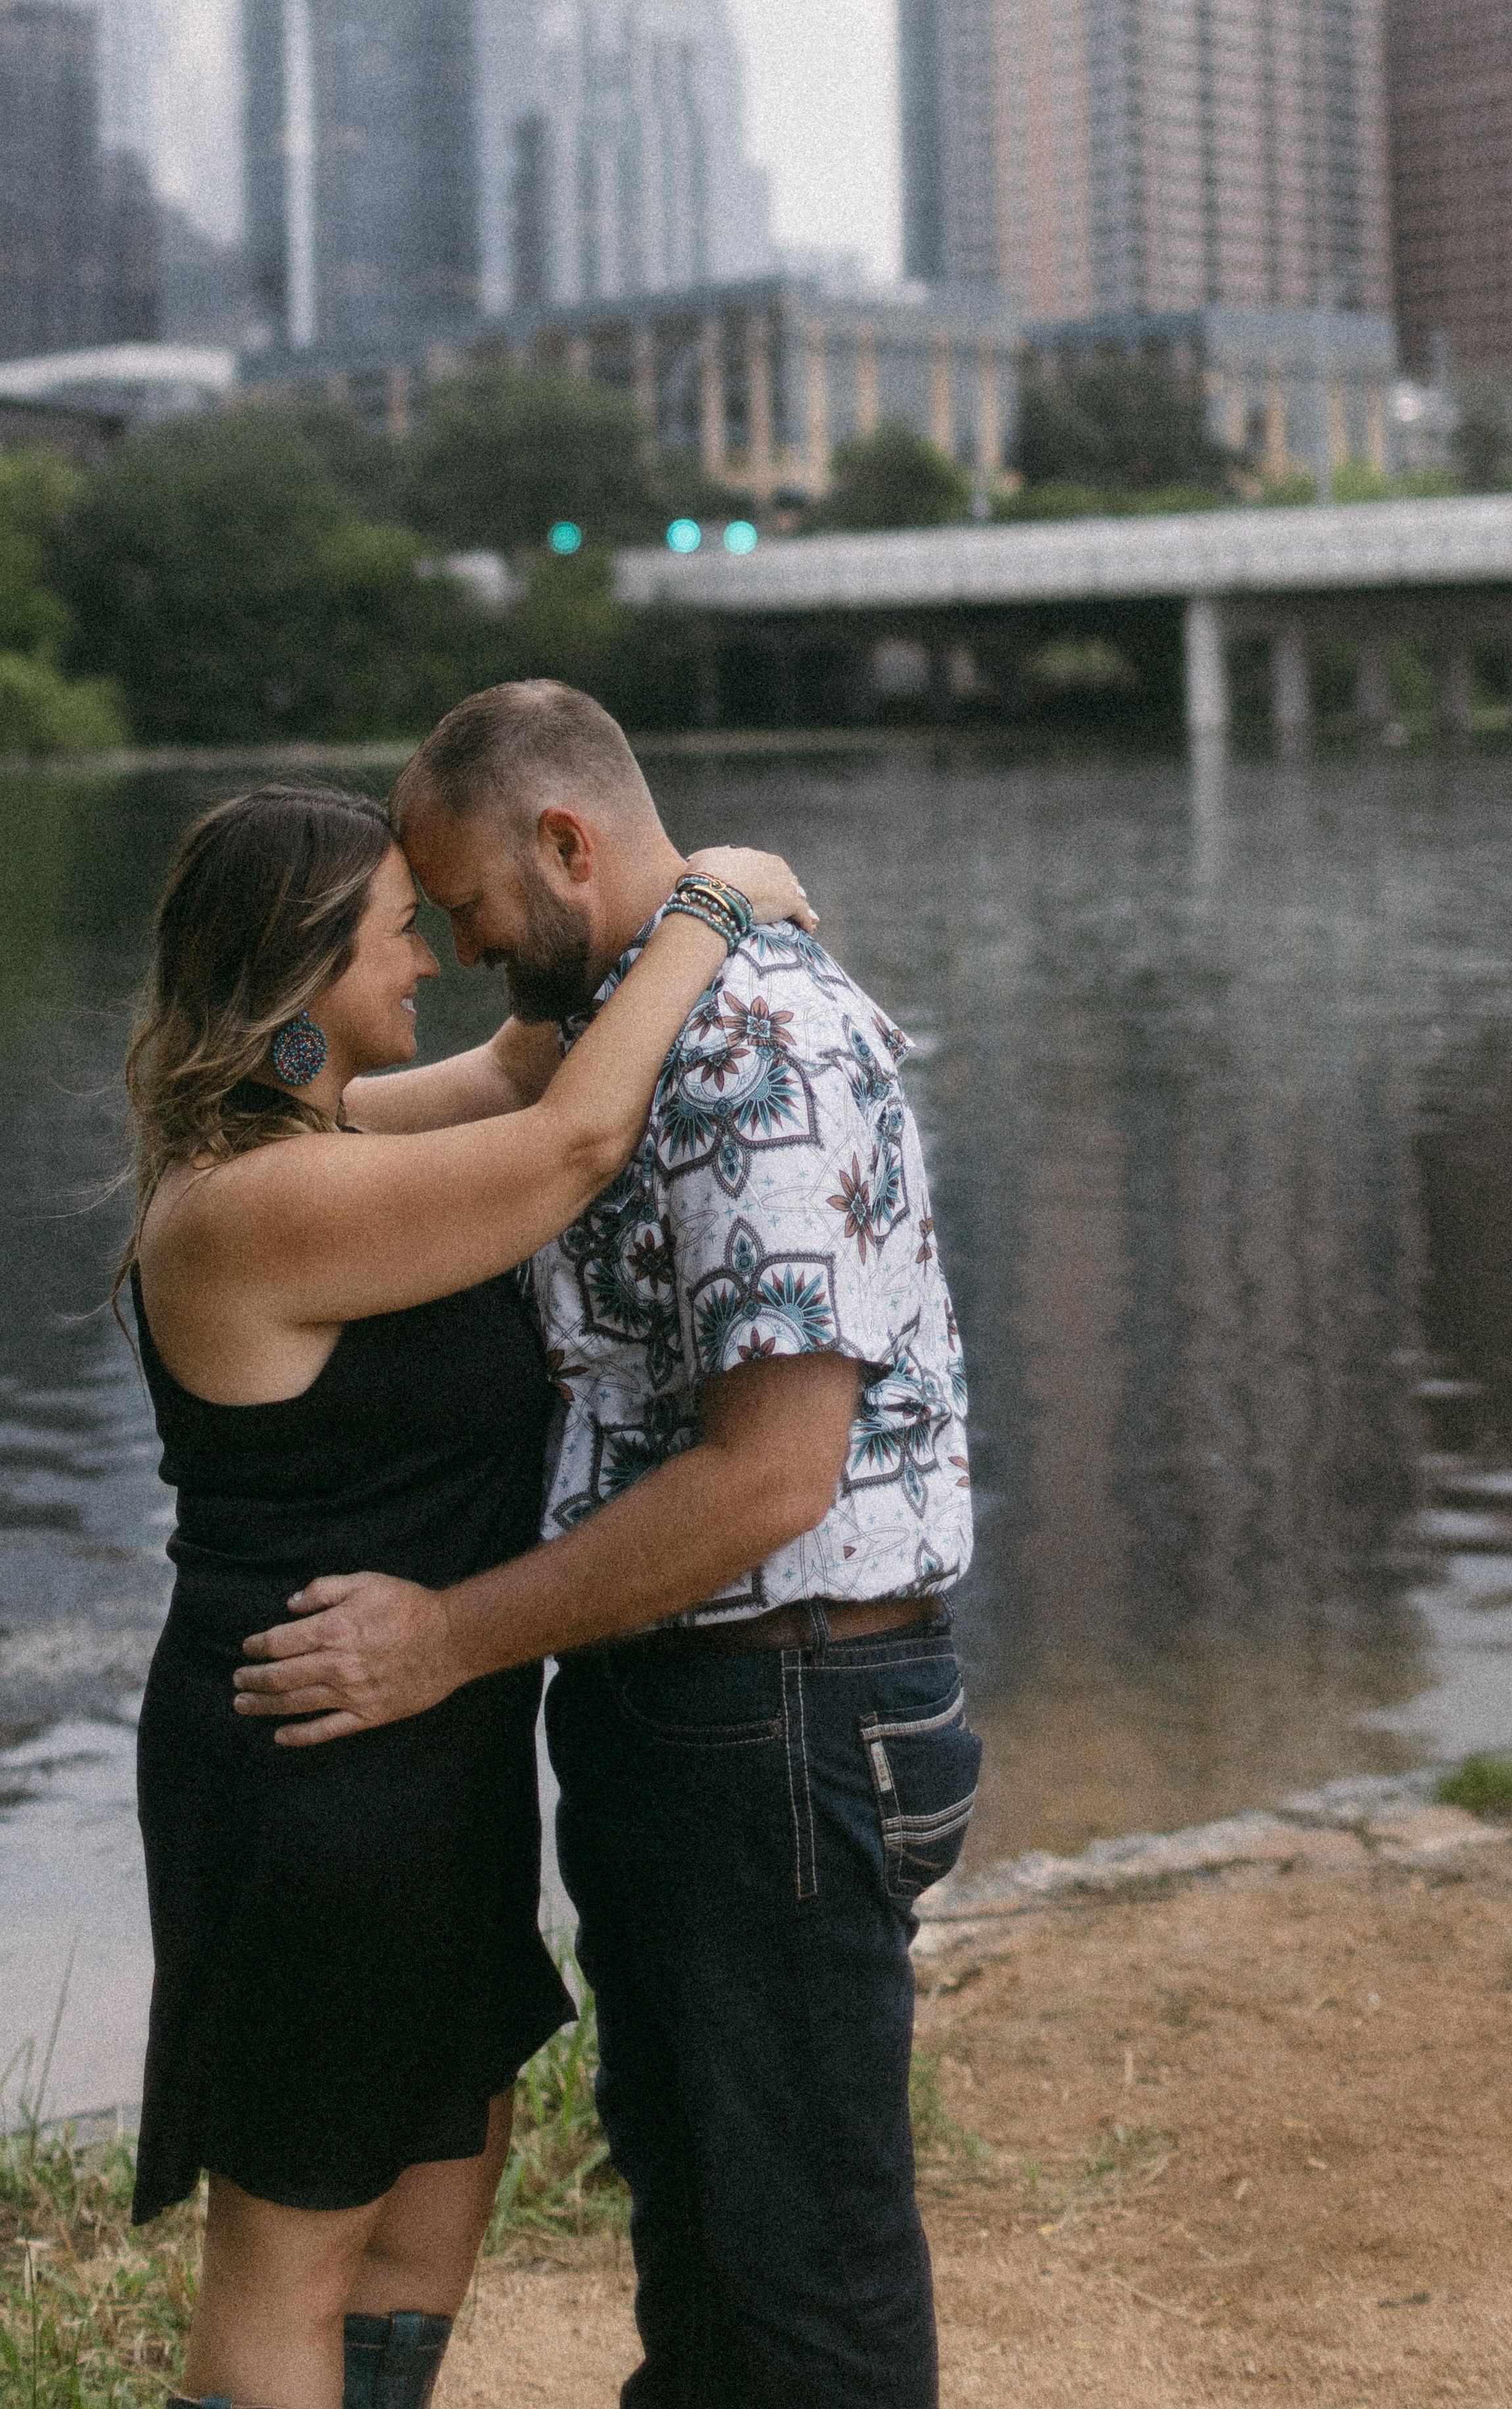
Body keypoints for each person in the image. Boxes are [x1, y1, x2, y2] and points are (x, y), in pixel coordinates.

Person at [232, 683, 981, 2409]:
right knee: (706, 2246)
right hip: (683, 1711)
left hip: (786, 1707)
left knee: (807, 2289)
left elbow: (769, 1482)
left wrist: (443, 1638)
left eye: (470, 909)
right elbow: (313, 1112)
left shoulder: (753, 1042)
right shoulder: (606, 1028)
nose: (463, 955)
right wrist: (712, 890)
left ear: (565, 845)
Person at [121, 777, 816, 2409]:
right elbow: (571, 1136)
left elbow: (523, 1068)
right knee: (295, 2244)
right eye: (395, 931)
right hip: (308, 1768)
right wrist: (710, 908)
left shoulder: (329, 1133)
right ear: (306, 965)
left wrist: (642, 886)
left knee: (438, 2180)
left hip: (430, 1740)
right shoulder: (253, 1200)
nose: (428, 956)